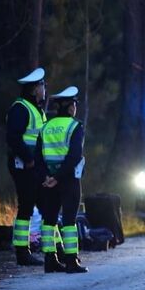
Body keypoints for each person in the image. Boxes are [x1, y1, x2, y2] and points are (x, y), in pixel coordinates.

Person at [35, 86, 88, 274]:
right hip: (68, 180)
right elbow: (74, 156)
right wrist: (58, 178)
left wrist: (47, 177)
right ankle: (71, 261)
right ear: (70, 107)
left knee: (48, 220)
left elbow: (38, 157)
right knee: (69, 220)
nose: (75, 108)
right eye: (74, 104)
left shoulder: (45, 127)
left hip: (47, 180)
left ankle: (50, 260)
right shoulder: (75, 126)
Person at [6, 67, 47, 266]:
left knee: (41, 206)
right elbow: (13, 137)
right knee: (26, 208)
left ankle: (50, 251)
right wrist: (29, 158)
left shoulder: (36, 109)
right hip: (24, 166)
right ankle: (22, 253)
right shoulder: (20, 108)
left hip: (35, 167)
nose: (44, 88)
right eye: (41, 85)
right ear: (33, 89)